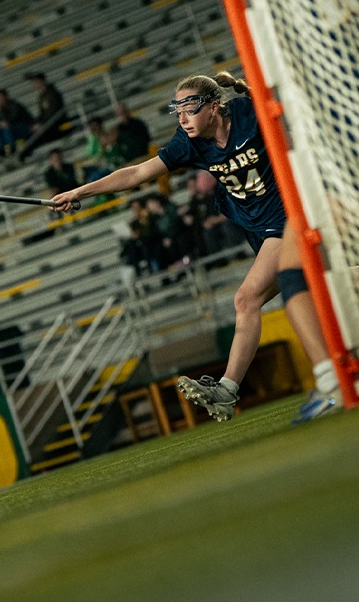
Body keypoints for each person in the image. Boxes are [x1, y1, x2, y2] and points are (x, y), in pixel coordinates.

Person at [53, 72, 331, 422]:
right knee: (322, 286)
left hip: (288, 218)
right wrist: (80, 191)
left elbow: (293, 131)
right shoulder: (190, 143)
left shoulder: (247, 114)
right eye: (177, 111)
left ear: (214, 107)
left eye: (189, 109)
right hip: (258, 230)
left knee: (246, 299)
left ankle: (230, 390)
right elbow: (136, 174)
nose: (182, 118)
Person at [15, 73, 70, 159]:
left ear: (41, 81)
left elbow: (53, 113)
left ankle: (21, 156)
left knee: (34, 136)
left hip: (56, 125)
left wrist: (42, 125)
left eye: (35, 82)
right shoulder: (42, 96)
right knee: (27, 131)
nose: (33, 84)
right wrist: (36, 124)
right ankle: (19, 154)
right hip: (48, 125)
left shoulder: (52, 93)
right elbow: (42, 114)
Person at [0, 91, 34, 159]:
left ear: (6, 97)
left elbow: (14, 118)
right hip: (13, 130)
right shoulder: (2, 109)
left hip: (24, 128)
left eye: (0, 98)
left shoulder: (15, 105)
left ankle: (12, 148)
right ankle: (0, 151)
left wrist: (4, 122)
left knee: (7, 128)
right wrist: (0, 123)